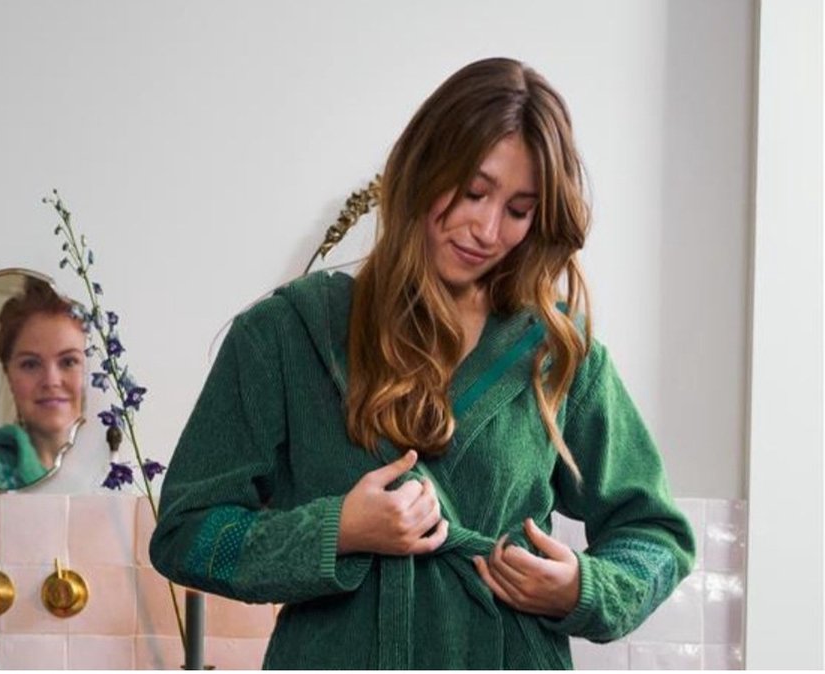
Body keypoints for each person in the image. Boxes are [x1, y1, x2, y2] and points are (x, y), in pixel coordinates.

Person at [149, 57, 695, 670]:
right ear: (421, 167)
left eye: (518, 209)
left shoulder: (556, 352)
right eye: (473, 192)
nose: (487, 229)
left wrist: (582, 588)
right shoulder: (287, 334)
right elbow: (185, 536)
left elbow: (658, 538)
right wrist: (337, 531)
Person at [0, 278, 86, 491]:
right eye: (30, 364)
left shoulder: (121, 466)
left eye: (69, 362)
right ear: (8, 372)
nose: (51, 381)